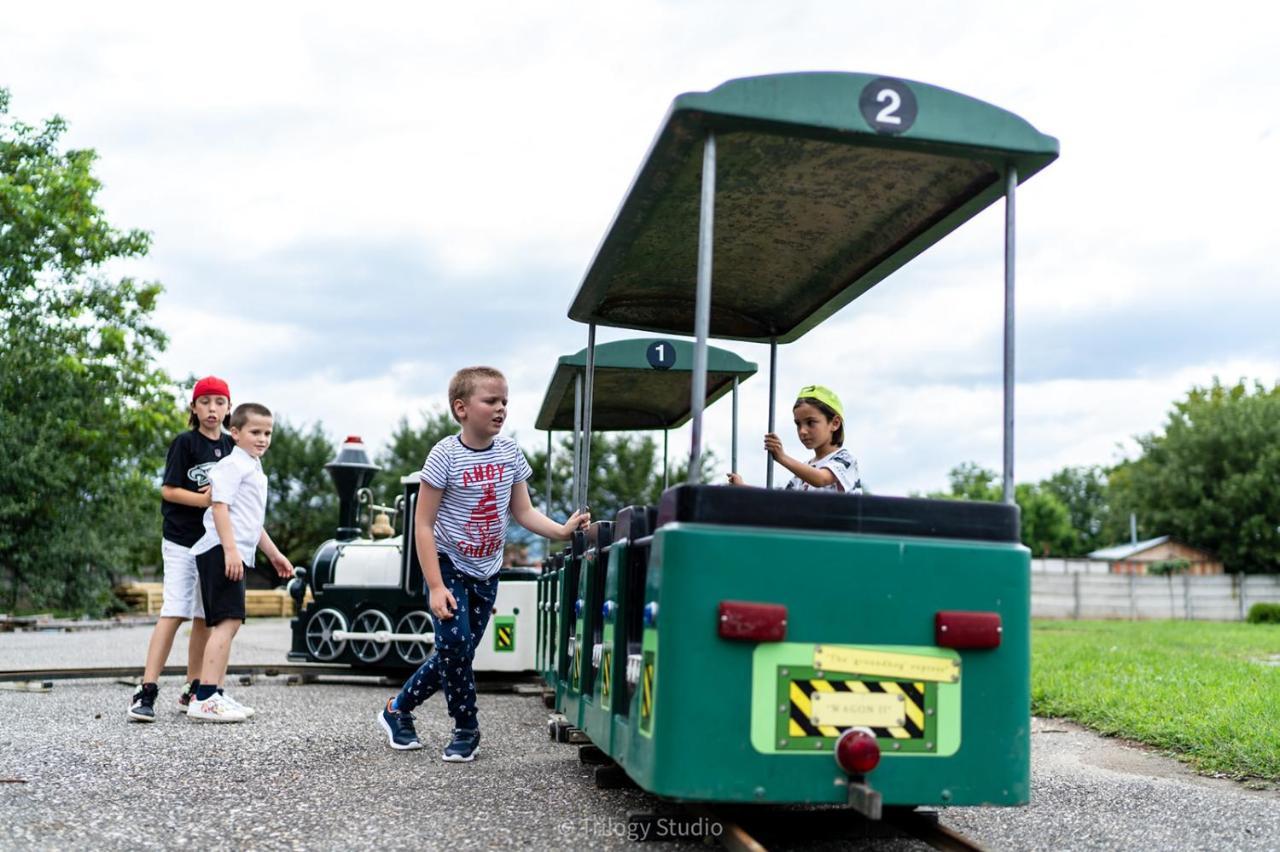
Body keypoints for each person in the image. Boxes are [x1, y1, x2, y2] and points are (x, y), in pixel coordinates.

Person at [379, 366, 588, 760]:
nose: (501, 408)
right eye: (490, 401)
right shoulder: (444, 455)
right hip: (448, 562)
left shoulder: (509, 453)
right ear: (461, 408)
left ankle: (397, 710)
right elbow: (422, 525)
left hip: (486, 570)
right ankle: (466, 728)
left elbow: (522, 511)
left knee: (455, 653)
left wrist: (561, 530)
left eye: (505, 401)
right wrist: (436, 585)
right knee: (455, 644)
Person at [129, 376, 234, 722]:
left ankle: (194, 688)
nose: (212, 409)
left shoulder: (232, 448)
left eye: (219, 402)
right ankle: (146, 690)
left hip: (212, 542)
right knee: (175, 610)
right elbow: (169, 490)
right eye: (205, 402)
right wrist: (204, 500)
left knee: (205, 615)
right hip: (180, 539)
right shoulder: (185, 443)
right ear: (194, 407)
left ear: (228, 408)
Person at [186, 402, 293, 722]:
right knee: (227, 621)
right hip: (221, 550)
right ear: (235, 433)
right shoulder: (232, 466)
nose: (262, 439)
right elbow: (219, 507)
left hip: (233, 549)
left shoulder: (252, 466)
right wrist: (231, 551)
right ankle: (204, 697)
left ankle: (215, 692)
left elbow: (251, 521)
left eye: (268, 433)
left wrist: (274, 555)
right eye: (255, 432)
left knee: (228, 623)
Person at [727, 384, 861, 493]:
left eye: (811, 422)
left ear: (835, 423)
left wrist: (782, 457)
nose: (802, 431)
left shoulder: (845, 460)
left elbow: (821, 479)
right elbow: (779, 499)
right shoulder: (804, 472)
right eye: (798, 424)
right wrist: (743, 488)